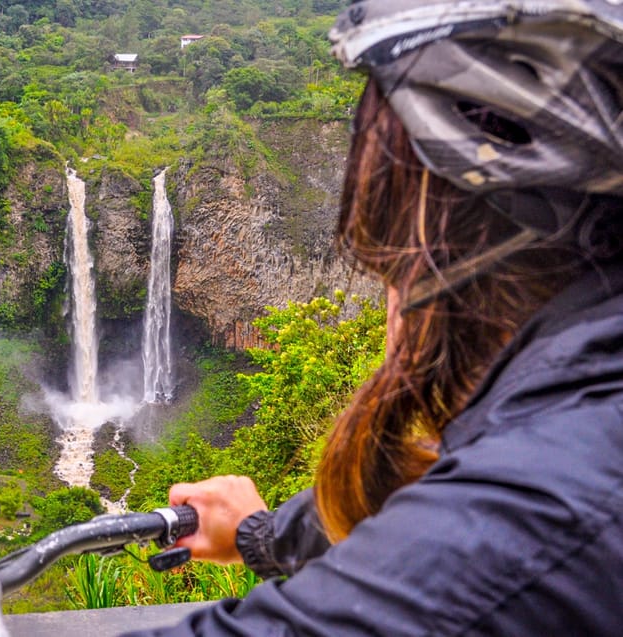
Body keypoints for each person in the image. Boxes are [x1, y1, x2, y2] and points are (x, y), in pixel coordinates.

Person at [123, 0, 623, 634]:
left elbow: (464, 549)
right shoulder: (579, 424)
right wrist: (262, 533)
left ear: (431, 230)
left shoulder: (535, 515)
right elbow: (433, 514)